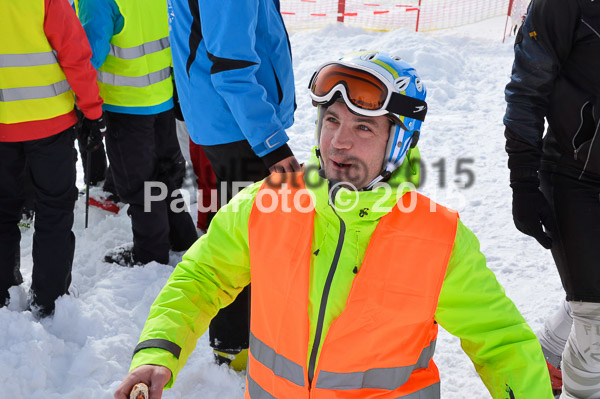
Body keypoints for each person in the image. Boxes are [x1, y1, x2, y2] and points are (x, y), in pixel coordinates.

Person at [114, 52, 553, 398]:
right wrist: (158, 353)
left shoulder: (438, 241)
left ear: (398, 142)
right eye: (332, 120)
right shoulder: (269, 202)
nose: (339, 142)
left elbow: (502, 344)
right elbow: (201, 277)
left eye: (364, 127)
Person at [167, 0, 301, 368]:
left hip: (226, 118)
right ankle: (238, 342)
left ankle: (235, 341)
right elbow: (231, 68)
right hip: (237, 123)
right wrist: (273, 144)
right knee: (257, 237)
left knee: (245, 230)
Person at [504, 0, 600, 396]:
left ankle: (546, 359)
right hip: (572, 175)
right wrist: (523, 180)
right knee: (595, 318)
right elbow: (527, 91)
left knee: (590, 299)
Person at [0, 0, 104, 317]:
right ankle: (50, 297)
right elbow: (74, 54)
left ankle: (2, 291)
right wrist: (92, 110)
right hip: (50, 123)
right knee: (54, 211)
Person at [78, 0, 198, 266]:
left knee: (139, 183)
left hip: (125, 104)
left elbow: (89, 56)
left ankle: (150, 253)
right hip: (161, 95)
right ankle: (182, 236)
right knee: (165, 173)